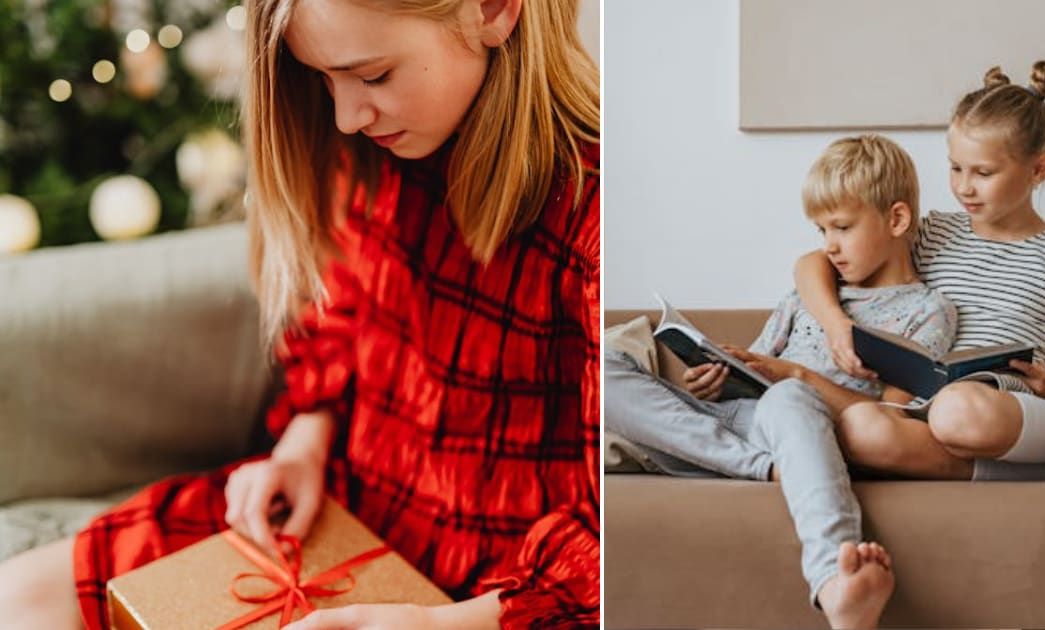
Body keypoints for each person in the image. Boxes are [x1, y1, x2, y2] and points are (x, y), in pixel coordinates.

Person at [0, 1, 600, 628]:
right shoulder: (380, 145)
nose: (346, 117)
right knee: (20, 599)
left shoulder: (597, 227)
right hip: (342, 505)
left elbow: (609, 541)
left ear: (494, 10)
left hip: (504, 591)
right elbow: (337, 314)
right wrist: (302, 444)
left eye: (372, 76)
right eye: (322, 77)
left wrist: (435, 625)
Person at [607, 134, 958, 628]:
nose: (829, 245)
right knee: (599, 369)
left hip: (813, 433)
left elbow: (891, 419)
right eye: (821, 231)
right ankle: (762, 467)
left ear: (896, 220)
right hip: (737, 425)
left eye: (842, 227)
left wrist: (796, 376)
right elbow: (758, 363)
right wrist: (718, 374)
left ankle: (834, 582)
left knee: (790, 398)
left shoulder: (927, 312)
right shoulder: (808, 296)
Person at [794, 60, 1045, 484]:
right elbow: (810, 264)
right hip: (922, 410)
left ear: (1038, 169)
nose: (964, 187)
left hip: (1004, 405)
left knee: (957, 409)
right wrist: (837, 325)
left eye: (983, 173)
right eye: (955, 168)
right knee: (860, 429)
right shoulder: (932, 232)